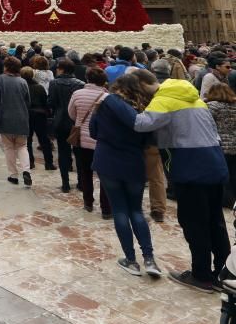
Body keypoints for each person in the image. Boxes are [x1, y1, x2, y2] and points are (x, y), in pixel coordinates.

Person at [135, 76, 231, 293]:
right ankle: (223, 273)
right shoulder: (196, 99)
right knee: (215, 222)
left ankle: (202, 276)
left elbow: (140, 124)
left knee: (195, 224)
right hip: (214, 165)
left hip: (191, 169)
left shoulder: (164, 99)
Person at [89, 73, 163, 277]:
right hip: (133, 162)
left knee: (120, 211)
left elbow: (93, 131)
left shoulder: (106, 103)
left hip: (107, 160)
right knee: (136, 210)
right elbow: (149, 138)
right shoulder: (142, 108)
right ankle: (149, 259)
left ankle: (131, 260)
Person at [68, 67, 112, 217]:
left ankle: (88, 202)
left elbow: (71, 113)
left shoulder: (77, 94)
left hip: (82, 140)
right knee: (105, 174)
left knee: (85, 171)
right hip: (101, 141)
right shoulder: (107, 97)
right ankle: (106, 209)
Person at [0, 56, 32, 187]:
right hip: (21, 117)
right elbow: (28, 101)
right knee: (22, 146)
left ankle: (13, 175)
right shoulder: (22, 81)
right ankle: (26, 170)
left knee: (8, 147)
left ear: (6, 66)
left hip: (4, 117)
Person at [48, 58, 84, 192]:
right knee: (79, 153)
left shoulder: (54, 83)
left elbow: (51, 102)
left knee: (63, 152)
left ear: (61, 69)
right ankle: (81, 182)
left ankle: (65, 184)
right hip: (76, 122)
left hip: (60, 120)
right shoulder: (80, 84)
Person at [205, 82, 236, 205]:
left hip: (219, 146)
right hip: (234, 145)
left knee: (222, 175)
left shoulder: (211, 106)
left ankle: (225, 199)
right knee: (234, 175)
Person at [22, 66, 54, 171]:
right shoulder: (39, 87)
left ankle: (30, 162)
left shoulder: (22, 87)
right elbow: (45, 101)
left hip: (27, 114)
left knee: (28, 140)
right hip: (39, 115)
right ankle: (49, 163)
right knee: (44, 140)